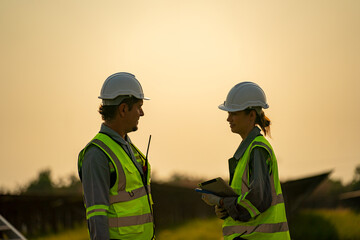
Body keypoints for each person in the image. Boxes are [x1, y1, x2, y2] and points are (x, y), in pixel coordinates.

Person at [201, 82, 291, 239]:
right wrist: (225, 210)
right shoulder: (248, 150)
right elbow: (245, 199)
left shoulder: (257, 149)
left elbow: (257, 200)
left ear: (251, 115)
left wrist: (222, 202)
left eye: (234, 113)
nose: (228, 118)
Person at [78, 72, 155, 240]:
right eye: (138, 106)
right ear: (123, 109)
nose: (141, 113)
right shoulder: (97, 155)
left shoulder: (126, 147)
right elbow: (97, 217)